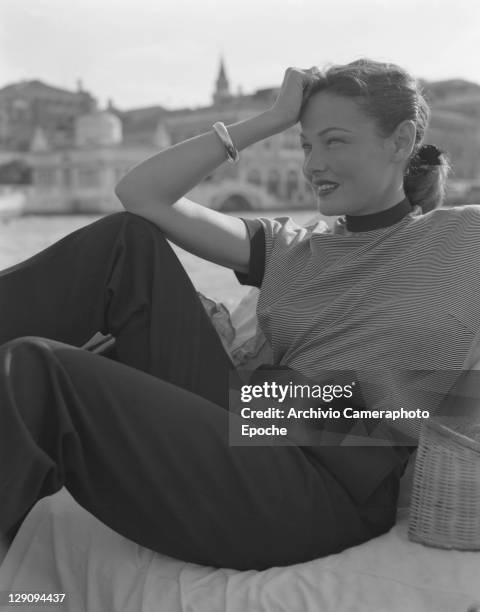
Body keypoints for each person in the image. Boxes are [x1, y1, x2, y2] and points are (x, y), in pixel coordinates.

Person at [0, 58, 479, 572]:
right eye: (306, 144)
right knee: (125, 239)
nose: (313, 163)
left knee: (38, 369)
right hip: (252, 415)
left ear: (401, 141)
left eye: (334, 141)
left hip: (325, 484)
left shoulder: (462, 238)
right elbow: (140, 195)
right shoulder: (289, 247)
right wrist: (270, 119)